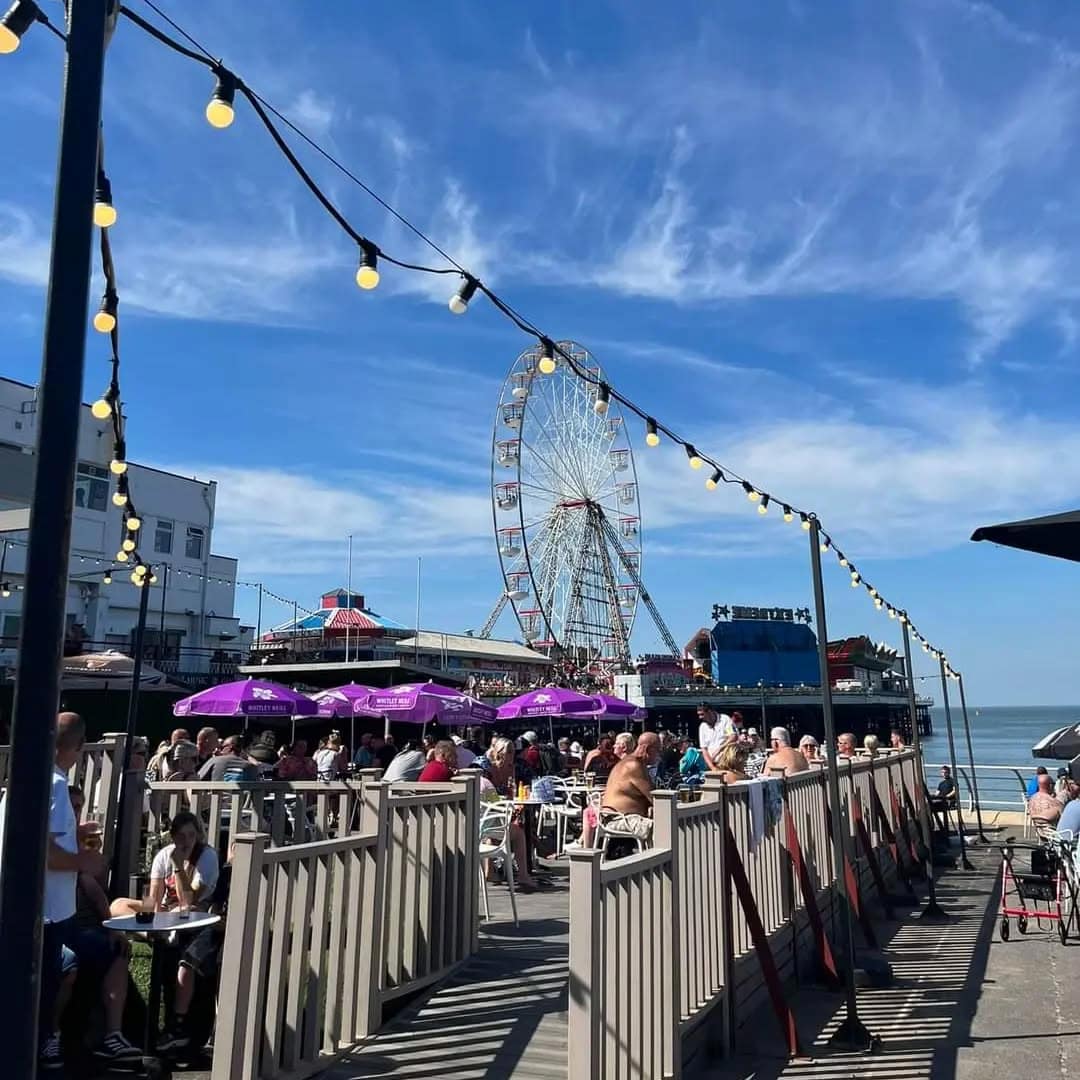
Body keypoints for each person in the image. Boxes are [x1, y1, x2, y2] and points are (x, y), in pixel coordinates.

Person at [0, 713, 140, 1069]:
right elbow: (42, 854)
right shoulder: (55, 785)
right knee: (37, 996)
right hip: (45, 911)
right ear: (76, 748)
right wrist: (84, 862)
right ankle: (33, 1059)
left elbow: (29, 839)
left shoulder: (22, 780)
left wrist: (74, 839)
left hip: (30, 907)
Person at [599, 732, 661, 854]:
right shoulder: (633, 765)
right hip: (617, 819)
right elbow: (655, 797)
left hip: (620, 816)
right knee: (663, 828)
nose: (660, 754)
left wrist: (649, 805)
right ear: (647, 749)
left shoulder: (632, 762)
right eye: (658, 750)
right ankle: (659, 866)